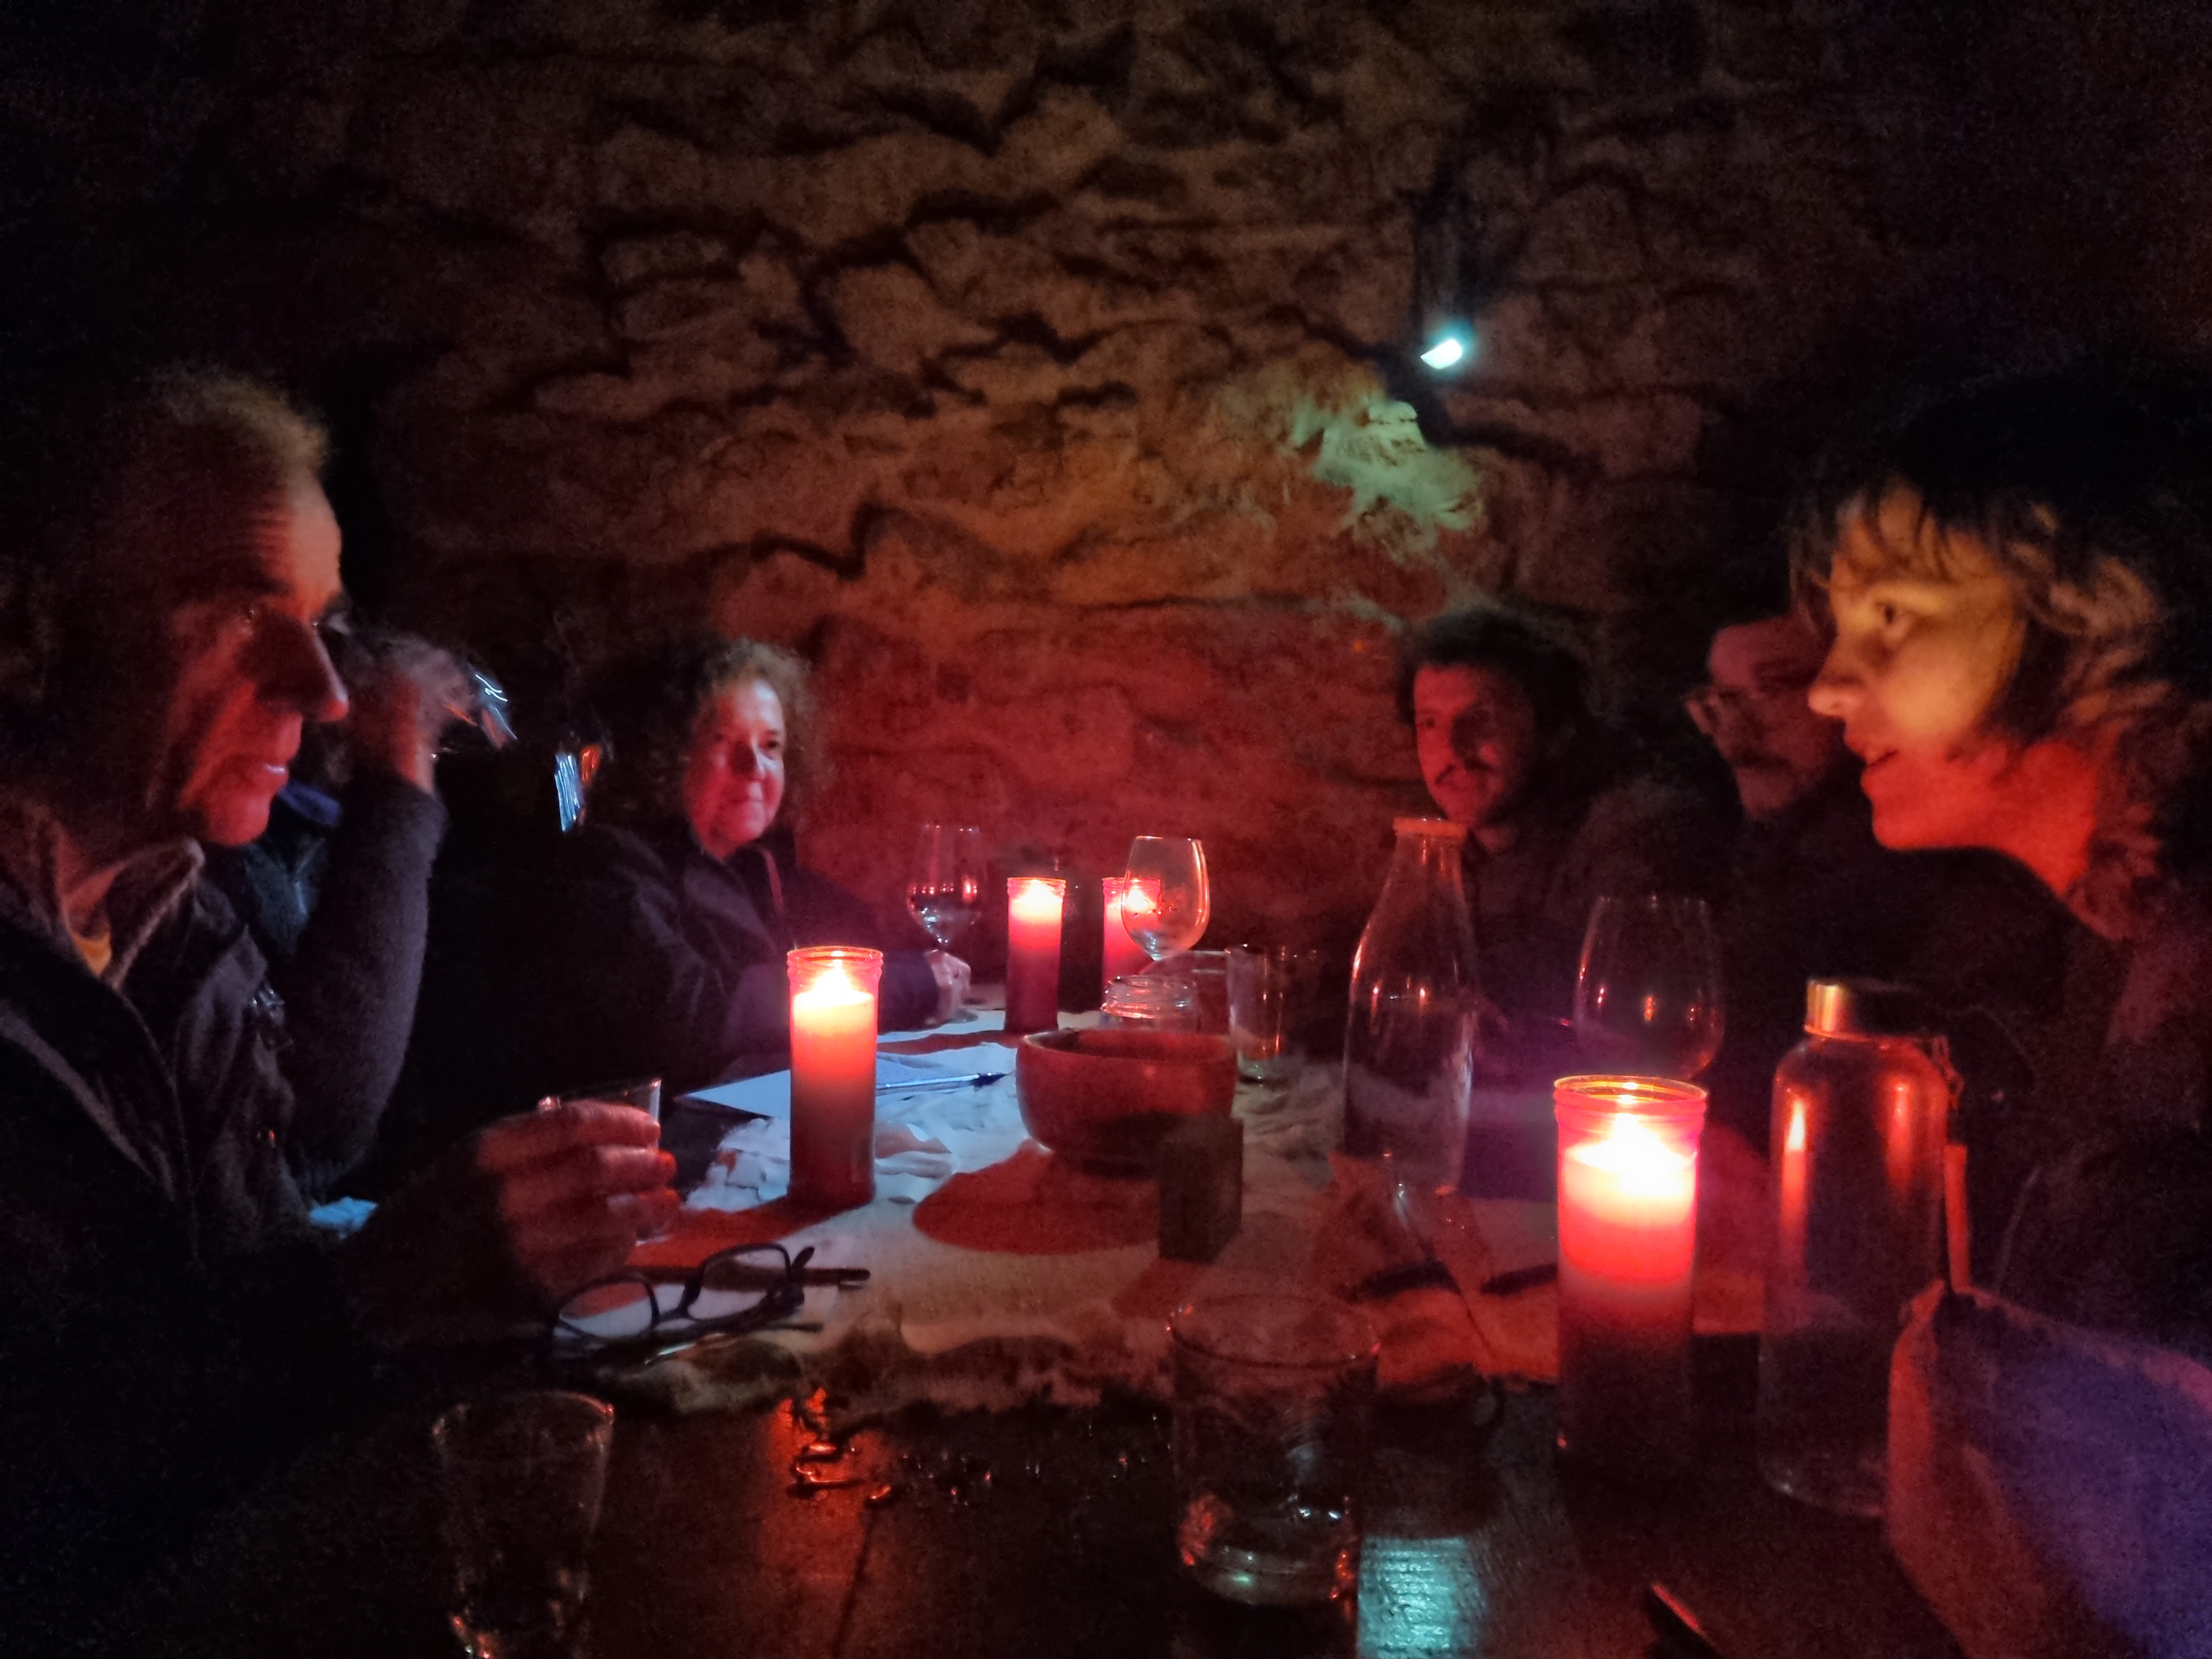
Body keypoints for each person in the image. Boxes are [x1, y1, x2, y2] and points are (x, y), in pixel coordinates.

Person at [0, 365, 676, 1644]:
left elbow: (251, 1260)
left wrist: (466, 1256)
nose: (321, 694)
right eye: (242, 612)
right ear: (25, 625)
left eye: (325, 623)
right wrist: (373, 1291)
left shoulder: (173, 925)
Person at [1690, 596, 2084, 1145]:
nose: (1735, 737)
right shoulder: (1736, 854)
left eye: (1775, 688)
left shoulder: (1967, 900)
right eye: (1722, 700)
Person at [546, 634, 969, 1097]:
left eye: (772, 746)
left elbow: (857, 937)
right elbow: (695, 1017)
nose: (755, 767)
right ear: (664, 754)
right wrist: (906, 986)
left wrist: (925, 972)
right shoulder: (610, 872)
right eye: (723, 741)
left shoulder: (753, 868)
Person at [1400, 603, 1726, 1082]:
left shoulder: (1637, 828)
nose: (1451, 750)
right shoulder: (1453, 852)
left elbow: (1597, 1002)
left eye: (1482, 719)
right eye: (1429, 723)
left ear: (1555, 731)